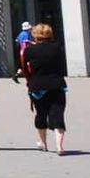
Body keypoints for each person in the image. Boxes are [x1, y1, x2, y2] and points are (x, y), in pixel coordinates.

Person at [21, 23, 69, 154]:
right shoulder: (57, 48)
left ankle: (43, 143)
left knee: (41, 114)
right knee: (58, 114)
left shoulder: (29, 50)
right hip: (57, 85)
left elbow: (25, 69)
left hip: (37, 87)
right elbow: (62, 65)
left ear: (35, 35)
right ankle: (59, 146)